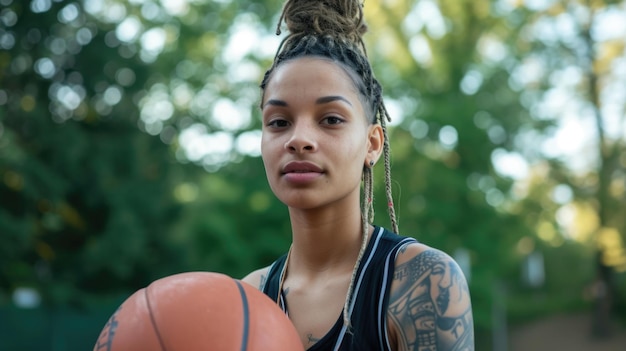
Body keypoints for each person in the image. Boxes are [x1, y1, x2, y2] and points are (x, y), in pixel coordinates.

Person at [242, 0, 474, 350]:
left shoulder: (423, 281)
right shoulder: (246, 300)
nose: (299, 139)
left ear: (372, 143)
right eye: (279, 122)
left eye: (330, 119)